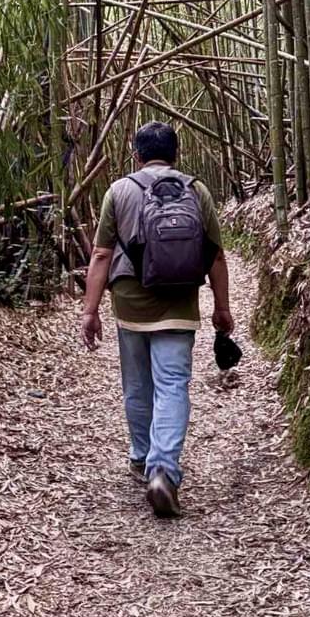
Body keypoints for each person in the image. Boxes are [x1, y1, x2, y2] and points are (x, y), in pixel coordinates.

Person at [79, 121, 234, 518]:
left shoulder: (119, 190)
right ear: (176, 155)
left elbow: (100, 256)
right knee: (172, 385)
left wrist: (90, 310)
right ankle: (163, 469)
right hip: (179, 302)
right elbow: (216, 256)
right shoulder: (196, 189)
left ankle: (142, 457)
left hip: (131, 303)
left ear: (137, 154)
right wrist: (222, 307)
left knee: (137, 385)